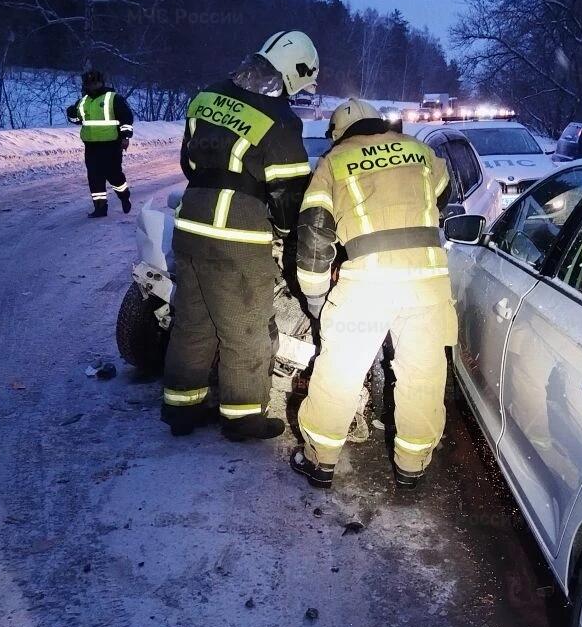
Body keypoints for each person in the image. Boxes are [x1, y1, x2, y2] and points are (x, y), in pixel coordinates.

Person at [291, 99, 458, 489]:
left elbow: (314, 235)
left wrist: (315, 298)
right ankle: (411, 466)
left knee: (341, 372)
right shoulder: (418, 148)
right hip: (427, 284)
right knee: (422, 374)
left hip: (367, 285)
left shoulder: (333, 161)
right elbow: (443, 195)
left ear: (338, 133)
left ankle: (320, 461)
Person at [161, 31, 318, 441]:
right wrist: (286, 235)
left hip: (190, 225)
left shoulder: (206, 95)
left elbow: (189, 162)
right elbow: (288, 194)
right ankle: (242, 417)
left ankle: (181, 408)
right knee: (245, 327)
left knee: (193, 320)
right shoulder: (281, 121)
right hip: (237, 237)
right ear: (293, 71)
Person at [66, 70, 135, 218]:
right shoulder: (83, 101)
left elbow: (126, 117)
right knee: (94, 177)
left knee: (114, 175)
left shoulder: (113, 98)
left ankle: (124, 196)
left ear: (101, 82)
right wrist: (70, 113)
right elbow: (77, 120)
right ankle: (100, 208)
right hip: (91, 146)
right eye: (89, 83)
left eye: (95, 82)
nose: (92, 85)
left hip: (111, 145)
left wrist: (125, 137)